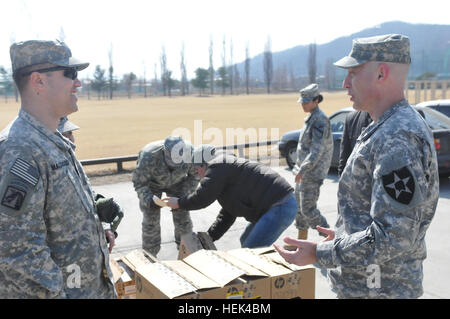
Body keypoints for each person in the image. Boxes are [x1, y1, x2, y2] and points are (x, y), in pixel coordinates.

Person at [274, 34, 439, 299]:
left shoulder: (396, 136)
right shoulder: (384, 125)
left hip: (379, 289)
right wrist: (344, 233)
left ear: (381, 74)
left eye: (353, 73)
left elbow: (393, 237)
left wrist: (320, 253)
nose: (345, 83)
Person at [0, 40, 116, 298]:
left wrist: (96, 225)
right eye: (70, 73)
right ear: (38, 81)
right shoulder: (20, 149)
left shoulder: (51, 139)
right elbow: (18, 251)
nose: (78, 82)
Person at [164, 145, 297, 248]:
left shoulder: (217, 166)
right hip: (279, 204)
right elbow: (228, 213)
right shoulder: (226, 169)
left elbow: (202, 198)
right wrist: (210, 237)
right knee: (245, 241)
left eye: (197, 168)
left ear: (204, 163)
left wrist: (179, 203)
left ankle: (278, 276)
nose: (197, 173)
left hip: (280, 205)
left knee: (251, 250)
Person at [56, 117, 123, 253]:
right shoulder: (43, 168)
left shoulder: (71, 161)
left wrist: (104, 225)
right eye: (66, 134)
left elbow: (87, 196)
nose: (72, 139)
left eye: (71, 134)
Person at [132, 136, 199, 257]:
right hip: (152, 185)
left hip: (178, 183)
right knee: (150, 220)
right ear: (164, 152)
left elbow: (195, 176)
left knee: (183, 217)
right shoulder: (148, 156)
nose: (174, 165)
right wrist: (149, 200)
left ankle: (188, 252)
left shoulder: (191, 153)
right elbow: (139, 183)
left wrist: (183, 198)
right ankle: (149, 256)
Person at [293, 83, 333, 240]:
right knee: (300, 208)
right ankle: (301, 240)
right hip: (303, 171)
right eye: (302, 101)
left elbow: (317, 150)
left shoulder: (320, 120)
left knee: (308, 209)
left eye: (306, 101)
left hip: (312, 172)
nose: (303, 104)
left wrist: (303, 170)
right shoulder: (311, 117)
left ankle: (329, 238)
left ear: (316, 100)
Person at [337, 110, 372, 177]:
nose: (351, 99)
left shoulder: (393, 116)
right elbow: (345, 154)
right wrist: (341, 177)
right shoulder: (352, 118)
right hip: (356, 181)